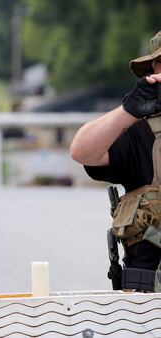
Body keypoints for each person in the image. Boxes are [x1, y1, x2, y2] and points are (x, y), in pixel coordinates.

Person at [70, 31, 161, 291]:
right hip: (147, 302)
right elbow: (82, 151)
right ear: (153, 71)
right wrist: (128, 111)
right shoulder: (140, 133)